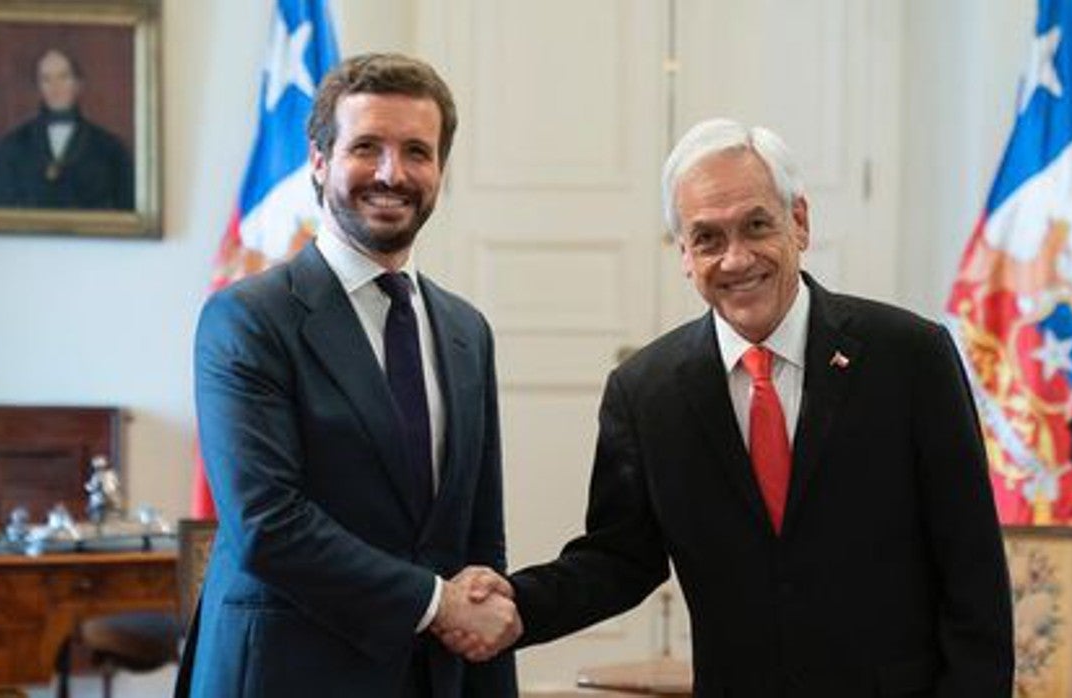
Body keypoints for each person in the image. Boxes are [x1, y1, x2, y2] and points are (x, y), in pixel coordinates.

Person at [448, 118, 1014, 696]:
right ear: (686, 256)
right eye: (708, 239)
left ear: (799, 222)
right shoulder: (646, 392)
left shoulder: (910, 357)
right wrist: (517, 605)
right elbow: (620, 559)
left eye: (756, 226)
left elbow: (972, 571)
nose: (736, 259)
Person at [177, 53, 519, 697]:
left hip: (430, 677)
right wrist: (437, 603)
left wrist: (485, 656)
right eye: (367, 147)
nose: (393, 173)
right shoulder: (247, 319)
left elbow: (478, 532)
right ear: (318, 161)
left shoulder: (466, 331)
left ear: (440, 170)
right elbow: (266, 524)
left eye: (417, 151)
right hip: (285, 673)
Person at [0, 48, 133, 210]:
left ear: (79, 84)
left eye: (63, 77)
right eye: (46, 79)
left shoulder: (111, 149)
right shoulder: (11, 146)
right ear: (38, 86)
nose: (55, 87)